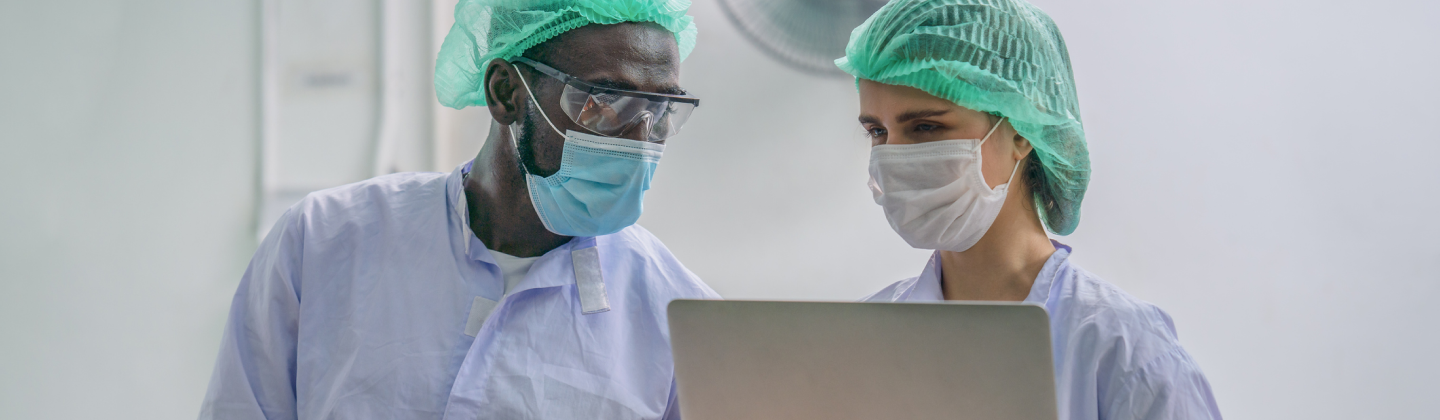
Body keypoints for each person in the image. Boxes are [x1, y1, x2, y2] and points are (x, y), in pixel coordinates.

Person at [199, 1, 716, 419]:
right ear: (506, 93)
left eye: (661, 111)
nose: (640, 140)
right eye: (603, 103)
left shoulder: (680, 315)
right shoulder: (324, 242)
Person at [835, 1, 1223, 419]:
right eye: (877, 131)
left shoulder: (1123, 352)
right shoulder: (858, 339)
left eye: (927, 127)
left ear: (1022, 130)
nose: (892, 156)